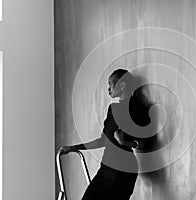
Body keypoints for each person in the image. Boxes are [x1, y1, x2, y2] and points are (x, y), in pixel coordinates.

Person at [59, 69, 148, 200]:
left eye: (110, 84)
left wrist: (126, 143)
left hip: (123, 169)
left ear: (122, 86)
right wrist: (75, 147)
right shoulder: (113, 109)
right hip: (106, 168)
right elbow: (103, 140)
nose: (108, 89)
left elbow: (146, 141)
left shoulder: (136, 108)